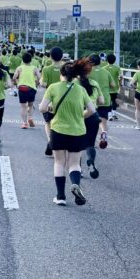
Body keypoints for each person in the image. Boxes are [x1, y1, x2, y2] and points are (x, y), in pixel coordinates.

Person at [40, 60, 94, 206]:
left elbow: (42, 108)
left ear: (61, 73)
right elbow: (92, 110)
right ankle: (75, 184)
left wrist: (51, 108)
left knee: (59, 162)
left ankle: (60, 196)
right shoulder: (81, 90)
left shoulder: (53, 87)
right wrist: (80, 116)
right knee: (74, 164)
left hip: (58, 130)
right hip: (78, 131)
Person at [39, 46, 64, 157]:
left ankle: (51, 141)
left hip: (50, 100)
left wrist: (41, 81)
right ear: (62, 56)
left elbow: (44, 84)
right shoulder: (66, 67)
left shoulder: (46, 69)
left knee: (48, 123)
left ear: (50, 57)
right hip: (64, 100)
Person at [88, 54, 117, 149]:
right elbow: (113, 85)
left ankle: (91, 142)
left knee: (90, 123)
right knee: (103, 122)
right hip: (105, 100)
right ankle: (104, 133)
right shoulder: (106, 72)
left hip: (92, 100)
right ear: (100, 62)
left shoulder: (88, 72)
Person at [12, 51, 41, 129]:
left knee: (23, 107)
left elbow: (14, 78)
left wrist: (17, 83)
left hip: (22, 88)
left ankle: (25, 123)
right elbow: (39, 78)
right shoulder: (34, 68)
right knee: (30, 105)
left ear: (22, 60)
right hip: (32, 88)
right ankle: (30, 117)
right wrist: (36, 83)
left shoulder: (19, 68)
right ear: (31, 60)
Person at [104, 53, 121, 121]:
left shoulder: (104, 68)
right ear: (114, 60)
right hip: (115, 88)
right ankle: (113, 114)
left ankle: (109, 115)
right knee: (114, 101)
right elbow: (120, 77)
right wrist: (120, 85)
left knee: (108, 102)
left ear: (107, 60)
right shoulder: (117, 68)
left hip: (106, 88)